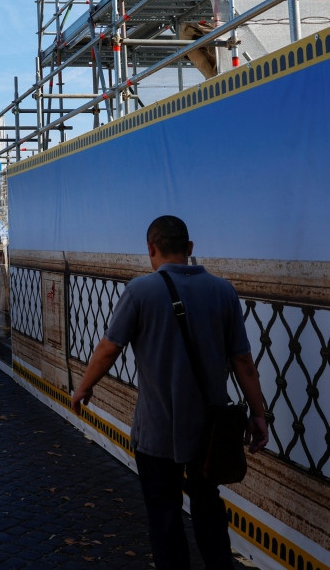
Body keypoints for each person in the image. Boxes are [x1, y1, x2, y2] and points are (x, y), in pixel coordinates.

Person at [70, 215, 269, 570]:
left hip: (156, 433)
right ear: (190, 249)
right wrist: (258, 414)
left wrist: (83, 388)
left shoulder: (141, 291)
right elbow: (244, 362)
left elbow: (109, 349)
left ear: (151, 248)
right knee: (209, 508)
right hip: (209, 434)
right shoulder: (223, 291)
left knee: (164, 518)